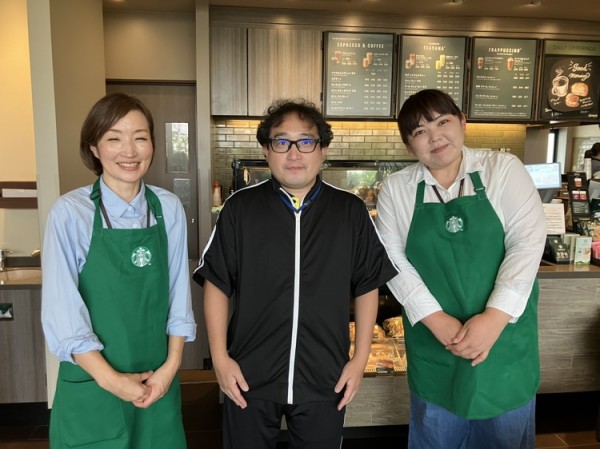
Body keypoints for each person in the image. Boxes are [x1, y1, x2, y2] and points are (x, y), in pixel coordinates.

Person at [194, 99, 398, 449]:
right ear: (266, 150)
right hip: (249, 376)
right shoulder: (240, 208)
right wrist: (220, 359)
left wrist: (359, 359)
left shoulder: (349, 211)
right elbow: (216, 282)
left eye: (305, 141)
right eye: (281, 142)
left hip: (325, 377)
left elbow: (367, 284)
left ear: (323, 150)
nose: (294, 153)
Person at [376, 89, 546, 449]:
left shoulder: (503, 169)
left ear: (463, 122)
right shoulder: (397, 189)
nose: (435, 137)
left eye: (443, 122)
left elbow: (527, 244)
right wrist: (438, 320)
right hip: (436, 340)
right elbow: (392, 261)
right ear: (408, 145)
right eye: (420, 131)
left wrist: (493, 319)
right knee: (437, 433)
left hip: (503, 338)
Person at [41, 92, 196, 449]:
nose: (129, 151)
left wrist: (170, 368)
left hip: (157, 383)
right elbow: (62, 312)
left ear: (152, 144)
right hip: (94, 382)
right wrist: (112, 380)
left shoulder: (168, 207)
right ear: (93, 148)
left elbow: (178, 296)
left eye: (140, 137)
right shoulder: (70, 213)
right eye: (114, 138)